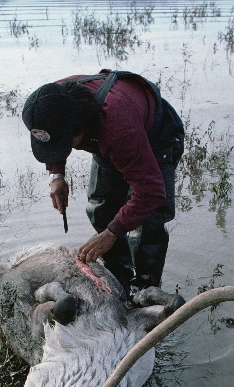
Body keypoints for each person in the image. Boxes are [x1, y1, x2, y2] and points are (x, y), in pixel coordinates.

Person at [22, 70, 184, 297]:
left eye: (65, 145)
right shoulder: (50, 100)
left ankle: (146, 291)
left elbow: (151, 191)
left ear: (80, 129)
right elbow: (55, 134)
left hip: (157, 135)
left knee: (148, 222)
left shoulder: (117, 127)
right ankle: (119, 284)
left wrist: (112, 233)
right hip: (108, 132)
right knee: (101, 209)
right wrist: (56, 175)